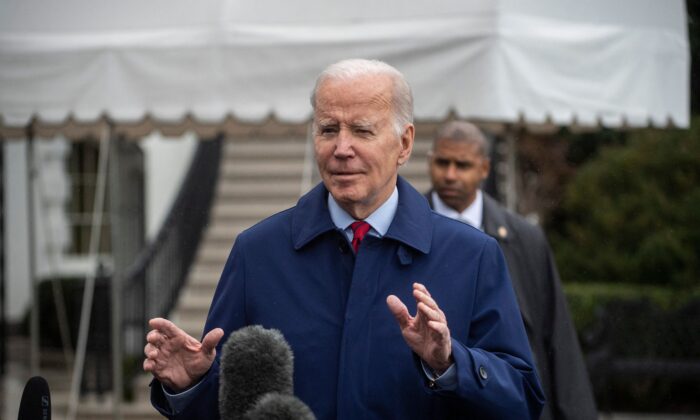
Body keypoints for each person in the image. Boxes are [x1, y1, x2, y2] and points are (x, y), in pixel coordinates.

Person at [143, 59, 544, 419]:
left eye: (362, 131)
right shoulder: (257, 252)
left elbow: (522, 401)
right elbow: (232, 407)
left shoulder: (472, 255)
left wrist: (451, 362)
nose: (341, 149)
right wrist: (188, 385)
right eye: (328, 129)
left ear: (404, 144)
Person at [425, 120, 597, 420]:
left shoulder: (524, 238)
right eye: (443, 162)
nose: (450, 175)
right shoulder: (403, 228)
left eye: (462, 165)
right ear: (430, 162)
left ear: (484, 168)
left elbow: (555, 334)